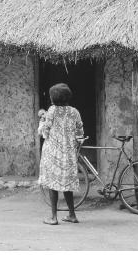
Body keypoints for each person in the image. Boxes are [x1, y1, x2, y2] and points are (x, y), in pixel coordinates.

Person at [37, 83, 84, 225]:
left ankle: (53, 217)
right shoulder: (74, 111)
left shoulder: (52, 111)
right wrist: (74, 144)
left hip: (53, 152)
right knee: (66, 184)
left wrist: (41, 121)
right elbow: (80, 132)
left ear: (53, 98)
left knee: (53, 184)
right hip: (68, 153)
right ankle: (72, 215)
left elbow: (44, 132)